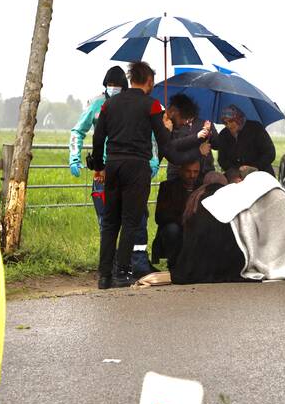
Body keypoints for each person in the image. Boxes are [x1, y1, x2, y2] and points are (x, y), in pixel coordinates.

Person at [92, 61, 181, 289]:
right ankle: (122, 273)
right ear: (149, 81)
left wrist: (99, 165)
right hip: (137, 167)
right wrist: (169, 132)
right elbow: (163, 143)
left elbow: (98, 137)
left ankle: (104, 276)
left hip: (113, 165)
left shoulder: (109, 105)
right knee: (131, 221)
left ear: (131, 79)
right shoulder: (151, 106)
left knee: (110, 222)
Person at [69, 66, 159, 276]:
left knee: (138, 219)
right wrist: (75, 157)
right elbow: (78, 131)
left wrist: (153, 162)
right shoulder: (97, 104)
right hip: (103, 172)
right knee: (108, 221)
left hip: (131, 169)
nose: (113, 89)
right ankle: (111, 266)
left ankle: (137, 264)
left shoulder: (130, 105)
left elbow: (151, 138)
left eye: (117, 86)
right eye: (110, 85)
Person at [152, 159, 201, 268]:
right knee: (172, 229)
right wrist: (184, 220)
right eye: (188, 171)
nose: (192, 175)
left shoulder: (202, 188)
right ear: (180, 170)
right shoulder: (167, 187)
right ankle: (173, 265)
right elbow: (159, 216)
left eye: (195, 172)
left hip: (196, 227)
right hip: (175, 228)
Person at [163, 94, 216, 182]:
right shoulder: (167, 125)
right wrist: (198, 138)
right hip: (177, 173)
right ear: (173, 112)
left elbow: (216, 144)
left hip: (202, 172)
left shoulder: (204, 121)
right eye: (183, 118)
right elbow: (174, 150)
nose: (184, 123)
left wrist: (210, 133)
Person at [214, 105, 276, 176]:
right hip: (236, 176)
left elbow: (270, 152)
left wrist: (255, 167)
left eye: (231, 121)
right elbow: (222, 159)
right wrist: (236, 170)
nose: (229, 125)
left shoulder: (256, 128)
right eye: (225, 123)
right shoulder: (223, 134)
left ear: (238, 118)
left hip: (261, 173)